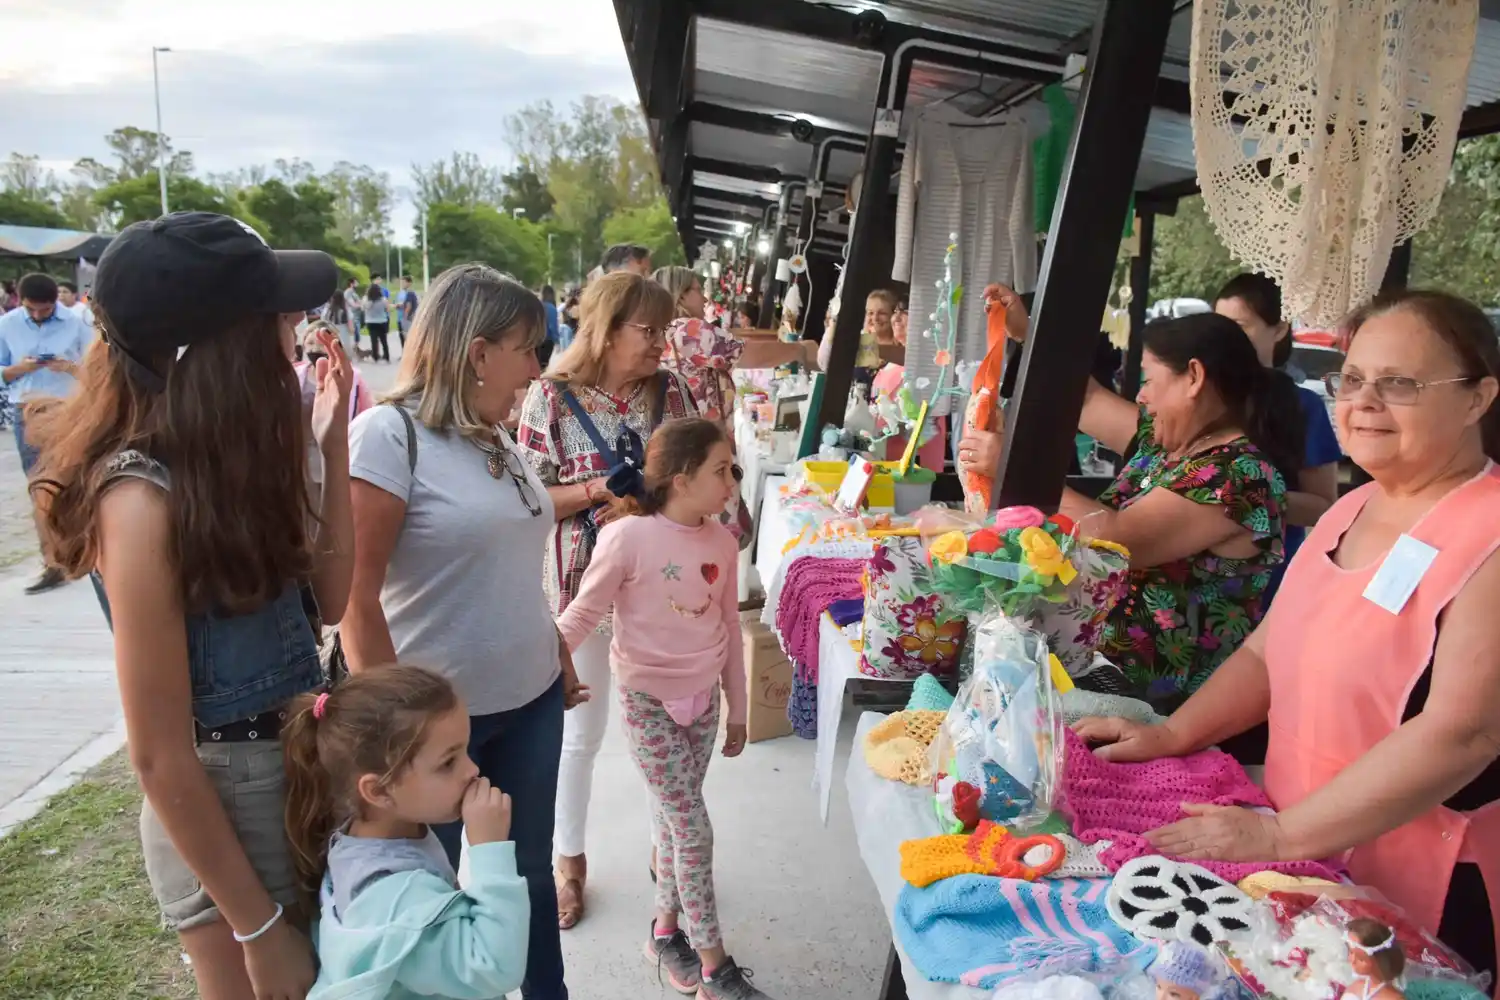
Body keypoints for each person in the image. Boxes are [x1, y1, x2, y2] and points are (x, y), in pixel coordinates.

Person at [1076, 288, 1500, 983]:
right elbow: (1268, 649)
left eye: (1399, 383)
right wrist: (1175, 735)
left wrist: (1278, 835)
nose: (1364, 402)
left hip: (1423, 887)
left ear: (1478, 398)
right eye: (1353, 380)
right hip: (1309, 863)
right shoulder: (1354, 506)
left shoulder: (1490, 530)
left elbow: (1462, 733)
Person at [27, 212, 352, 999]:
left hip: (292, 774)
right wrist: (259, 929)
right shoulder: (140, 499)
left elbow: (333, 598)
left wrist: (330, 444)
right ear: (219, 352)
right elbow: (159, 753)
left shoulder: (232, 460)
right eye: (277, 317)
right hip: (225, 804)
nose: (295, 333)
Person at [343, 263, 580, 999]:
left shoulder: (495, 437)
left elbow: (510, 562)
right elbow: (356, 597)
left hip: (533, 699)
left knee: (528, 877)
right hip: (436, 732)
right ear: (478, 354)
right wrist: (399, 729)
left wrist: (557, 648)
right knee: (431, 897)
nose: (539, 369)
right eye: (528, 349)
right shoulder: (388, 436)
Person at [960, 290, 1302, 710]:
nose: (1140, 395)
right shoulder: (1166, 445)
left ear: (1193, 377)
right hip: (1099, 677)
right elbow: (1082, 397)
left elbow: (1121, 541)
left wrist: (1013, 467)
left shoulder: (1238, 475)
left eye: (1149, 380)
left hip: (1162, 706)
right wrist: (1025, 331)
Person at [555, 417, 769, 1000]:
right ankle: (713, 967)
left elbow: (727, 624)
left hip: (704, 708)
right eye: (722, 470)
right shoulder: (625, 539)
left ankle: (665, 932)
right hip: (647, 704)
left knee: (677, 827)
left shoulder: (723, 542)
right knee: (694, 832)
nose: (733, 482)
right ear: (680, 479)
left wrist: (740, 709)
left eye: (734, 470)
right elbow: (578, 615)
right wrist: (539, 666)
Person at [516, 271, 698, 930]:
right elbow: (529, 501)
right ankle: (569, 863)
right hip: (579, 588)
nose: (659, 343)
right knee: (578, 736)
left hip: (657, 590)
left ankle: (667, 851)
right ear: (606, 328)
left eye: (664, 329)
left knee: (664, 730)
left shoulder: (671, 390)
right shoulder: (551, 399)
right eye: (647, 330)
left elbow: (696, 479)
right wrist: (600, 491)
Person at [280, 665, 530, 1000]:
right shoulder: (394, 896)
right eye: (447, 763)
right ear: (379, 791)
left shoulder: (362, 835)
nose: (472, 769)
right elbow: (494, 968)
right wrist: (490, 851)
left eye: (465, 750)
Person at [1214, 273, 1341, 601]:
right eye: (1220, 326)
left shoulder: (1302, 406)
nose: (1227, 338)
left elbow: (1321, 507)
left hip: (1268, 584)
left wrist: (1245, 496)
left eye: (1241, 325)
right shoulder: (1199, 398)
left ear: (1280, 328)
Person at [0, 272, 94, 594]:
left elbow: (97, 371)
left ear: (56, 301)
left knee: (77, 481)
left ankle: (84, 547)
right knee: (39, 487)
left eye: (45, 310)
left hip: (68, 409)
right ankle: (52, 562)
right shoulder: (7, 324)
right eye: (32, 311)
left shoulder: (78, 322)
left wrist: (68, 367)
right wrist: (20, 369)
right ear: (22, 302)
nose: (39, 316)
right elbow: (2, 372)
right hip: (27, 411)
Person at [654, 265, 818, 425]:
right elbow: (749, 354)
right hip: (700, 435)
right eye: (698, 290)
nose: (704, 299)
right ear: (681, 296)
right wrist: (800, 349)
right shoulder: (688, 331)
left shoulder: (666, 332)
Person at [871, 297, 948, 471]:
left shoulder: (929, 359)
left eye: (905, 312)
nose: (896, 318)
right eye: (895, 312)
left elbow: (912, 360)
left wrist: (865, 347)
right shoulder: (888, 363)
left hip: (915, 465)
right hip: (885, 457)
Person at [364, 283, 391, 362]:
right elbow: (387, 309)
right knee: (384, 340)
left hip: (370, 322)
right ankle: (387, 356)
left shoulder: (366, 299)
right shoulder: (383, 299)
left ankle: (375, 356)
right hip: (382, 321)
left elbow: (363, 308)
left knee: (373, 340)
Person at [539, 284, 560, 369]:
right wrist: (557, 341)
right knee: (544, 366)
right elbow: (553, 326)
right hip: (547, 340)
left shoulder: (538, 305)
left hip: (537, 339)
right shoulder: (551, 308)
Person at [343, 277, 365, 355]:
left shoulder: (352, 292)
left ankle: (355, 349)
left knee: (357, 333)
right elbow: (352, 304)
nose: (357, 283)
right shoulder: (349, 292)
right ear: (352, 284)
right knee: (356, 333)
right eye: (356, 282)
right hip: (353, 316)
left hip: (356, 315)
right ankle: (354, 351)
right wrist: (361, 305)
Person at [396, 274, 419, 348]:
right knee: (403, 337)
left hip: (406, 319)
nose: (402, 284)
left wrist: (405, 318)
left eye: (404, 282)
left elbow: (409, 306)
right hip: (403, 317)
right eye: (401, 282)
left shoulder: (409, 293)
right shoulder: (402, 293)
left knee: (406, 337)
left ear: (409, 283)